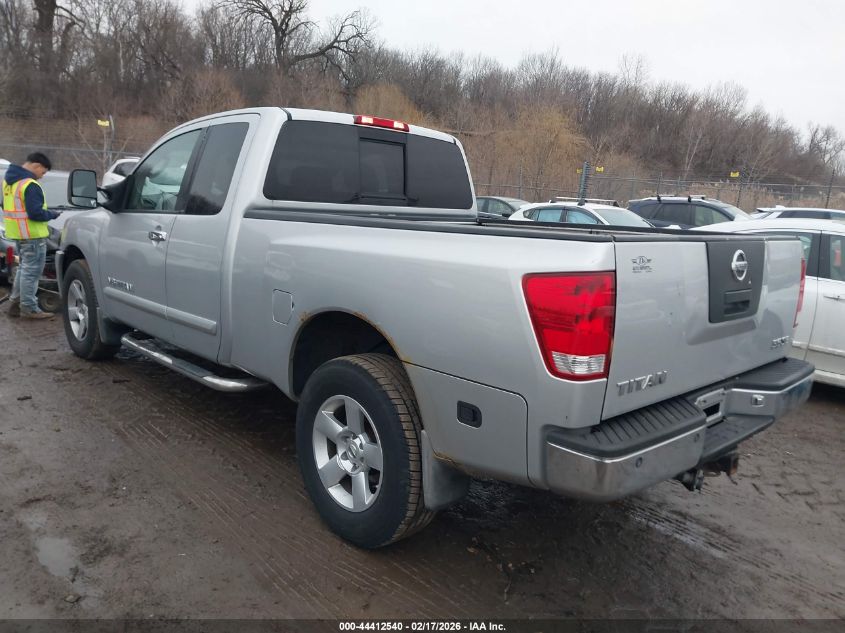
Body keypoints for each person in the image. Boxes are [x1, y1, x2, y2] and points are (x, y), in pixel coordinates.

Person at [3, 152, 61, 319]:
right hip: (33, 236)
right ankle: (29, 308)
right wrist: (52, 214)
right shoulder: (30, 185)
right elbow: (35, 213)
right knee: (31, 272)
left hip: (18, 235)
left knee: (24, 269)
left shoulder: (9, 182)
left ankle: (16, 301)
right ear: (37, 166)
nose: (41, 177)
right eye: (43, 172)